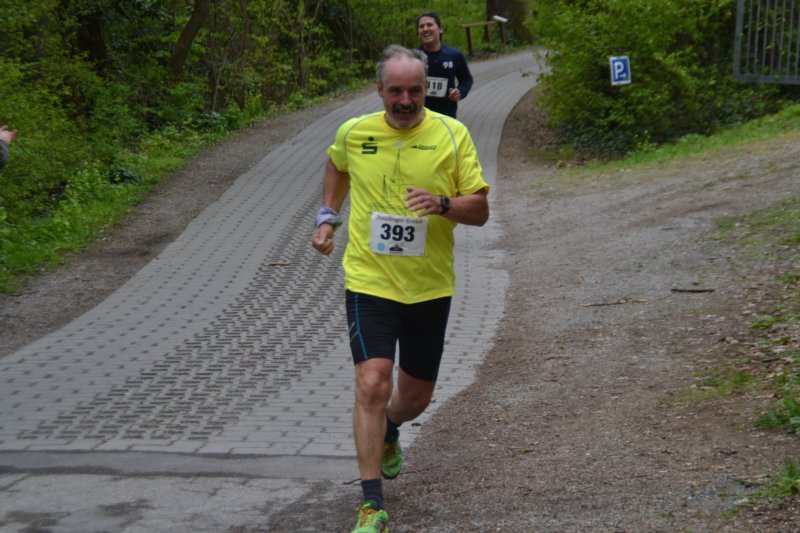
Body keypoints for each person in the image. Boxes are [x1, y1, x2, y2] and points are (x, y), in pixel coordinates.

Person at [310, 45, 489, 533]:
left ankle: (391, 428)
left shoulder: (452, 135)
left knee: (414, 398)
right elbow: (336, 164)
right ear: (379, 90)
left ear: (426, 88)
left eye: (414, 91)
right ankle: (372, 504)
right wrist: (327, 217)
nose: (405, 101)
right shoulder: (355, 132)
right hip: (369, 280)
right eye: (395, 91)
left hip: (429, 286)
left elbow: (480, 210)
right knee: (373, 381)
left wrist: (443, 204)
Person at [416, 12, 474, 119]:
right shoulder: (412, 57)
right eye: (421, 26)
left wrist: (460, 92)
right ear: (418, 32)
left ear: (440, 29)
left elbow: (466, 80)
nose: (425, 29)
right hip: (418, 116)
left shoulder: (454, 55)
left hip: (446, 116)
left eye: (429, 25)